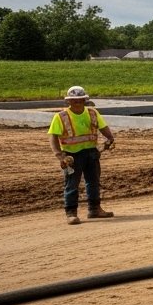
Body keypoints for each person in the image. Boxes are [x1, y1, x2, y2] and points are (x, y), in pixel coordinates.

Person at [49, 85, 116, 225]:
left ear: (85, 100)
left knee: (93, 182)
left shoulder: (92, 113)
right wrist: (60, 156)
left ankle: (94, 209)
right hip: (71, 156)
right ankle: (71, 213)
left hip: (91, 153)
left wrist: (110, 138)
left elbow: (103, 127)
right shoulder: (61, 117)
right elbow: (53, 137)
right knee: (71, 184)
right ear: (68, 101)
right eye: (74, 100)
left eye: (80, 99)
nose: (77, 102)